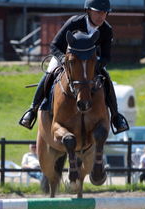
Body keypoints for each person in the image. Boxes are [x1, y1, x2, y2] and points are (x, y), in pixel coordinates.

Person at [18, 0, 129, 134]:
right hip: (66, 58)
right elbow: (54, 45)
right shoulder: (74, 23)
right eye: (98, 12)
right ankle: (32, 110)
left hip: (89, 63)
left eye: (104, 13)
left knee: (106, 77)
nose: (101, 16)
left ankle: (116, 116)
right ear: (88, 11)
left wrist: (97, 64)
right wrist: (63, 60)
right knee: (49, 72)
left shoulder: (106, 29)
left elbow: (106, 56)